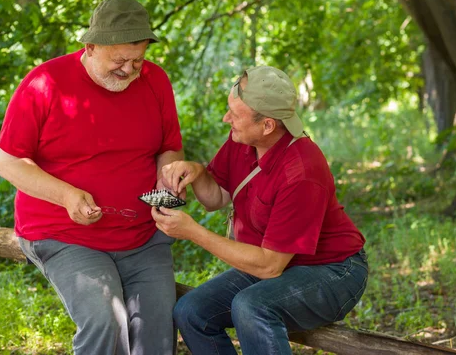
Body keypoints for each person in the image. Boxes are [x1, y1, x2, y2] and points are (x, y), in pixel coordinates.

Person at [0, 0, 183, 355]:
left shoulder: (156, 81)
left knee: (157, 332)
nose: (129, 70)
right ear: (90, 46)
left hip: (142, 236)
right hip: (66, 235)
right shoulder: (44, 83)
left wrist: (169, 177)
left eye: (137, 61)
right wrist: (66, 195)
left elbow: (169, 148)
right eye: (119, 61)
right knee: (105, 322)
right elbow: (10, 162)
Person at [152, 66, 368, 355]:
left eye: (235, 115)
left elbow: (269, 265)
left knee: (252, 306)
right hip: (278, 264)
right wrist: (195, 172)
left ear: (268, 125)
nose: (226, 119)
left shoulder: (302, 171)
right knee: (192, 311)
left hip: (333, 272)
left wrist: (192, 232)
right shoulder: (243, 139)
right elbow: (215, 197)